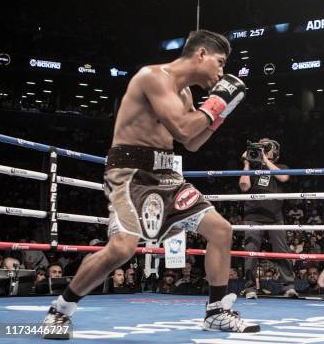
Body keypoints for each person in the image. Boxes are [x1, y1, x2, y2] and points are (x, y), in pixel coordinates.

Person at [41, 29, 259, 338]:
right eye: (220, 62)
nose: (221, 72)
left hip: (167, 175)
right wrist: (217, 102)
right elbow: (185, 129)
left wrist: (220, 113)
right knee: (121, 249)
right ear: (201, 54)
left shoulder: (184, 94)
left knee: (220, 230)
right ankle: (60, 309)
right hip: (131, 173)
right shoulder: (153, 77)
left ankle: (217, 312)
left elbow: (192, 143)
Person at [239, 138, 297, 298]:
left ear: (274, 152)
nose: (262, 148)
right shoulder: (253, 167)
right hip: (253, 216)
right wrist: (247, 163)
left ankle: (289, 287)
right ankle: (250, 288)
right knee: (250, 252)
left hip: (275, 217)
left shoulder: (281, 167)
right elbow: (244, 186)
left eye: (266, 146)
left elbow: (284, 177)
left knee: (282, 251)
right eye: (260, 146)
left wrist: (264, 159)